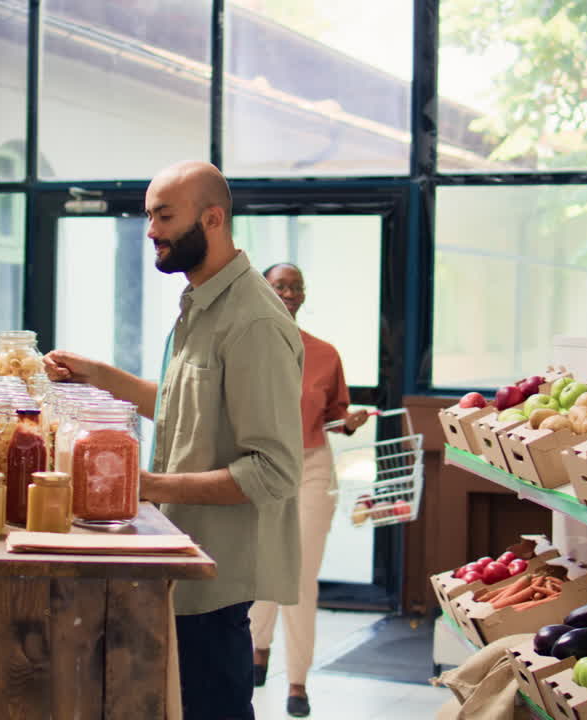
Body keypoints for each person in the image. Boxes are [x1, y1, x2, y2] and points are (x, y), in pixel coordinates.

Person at [44, 161, 305, 720]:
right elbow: (184, 403)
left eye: (164, 215)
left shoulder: (254, 320)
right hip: (182, 563)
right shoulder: (203, 302)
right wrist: (99, 375)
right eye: (148, 216)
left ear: (213, 219)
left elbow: (274, 471)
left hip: (215, 580)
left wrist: (144, 486)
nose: (151, 231)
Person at [249, 262, 371, 718]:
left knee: (299, 574)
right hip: (261, 467)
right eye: (280, 285)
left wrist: (350, 422)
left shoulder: (324, 353)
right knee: (262, 563)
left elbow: (335, 416)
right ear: (264, 290)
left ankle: (297, 682)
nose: (289, 293)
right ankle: (257, 649)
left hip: (313, 467)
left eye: (296, 287)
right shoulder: (246, 347)